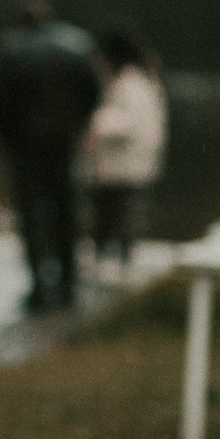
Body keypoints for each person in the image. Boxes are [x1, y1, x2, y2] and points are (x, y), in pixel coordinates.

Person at [0, 0, 103, 311]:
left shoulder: (9, 49)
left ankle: (39, 289)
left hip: (25, 147)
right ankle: (68, 285)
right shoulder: (76, 45)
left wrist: (8, 140)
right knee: (66, 212)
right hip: (63, 144)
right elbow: (93, 91)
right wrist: (76, 125)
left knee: (30, 216)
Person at [84, 28, 167, 280]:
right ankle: (117, 263)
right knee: (116, 211)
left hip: (123, 161)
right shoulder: (141, 77)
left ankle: (114, 265)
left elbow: (128, 121)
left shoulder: (131, 82)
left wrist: (92, 126)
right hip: (129, 159)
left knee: (112, 212)